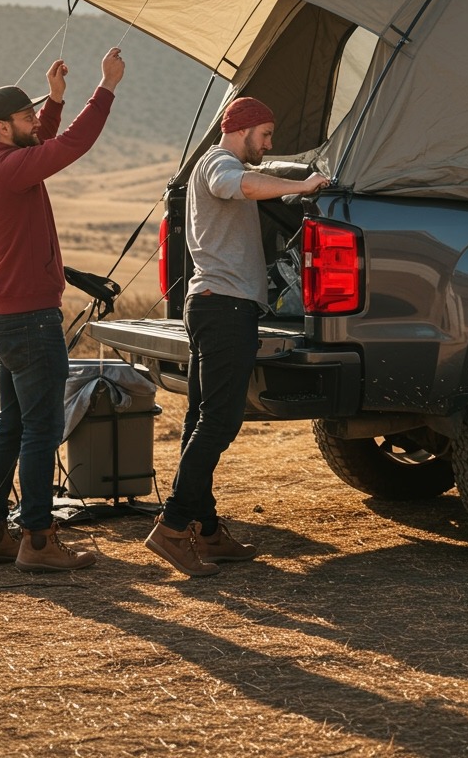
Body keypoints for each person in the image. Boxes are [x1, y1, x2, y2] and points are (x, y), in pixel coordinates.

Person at [144, 96, 329, 576]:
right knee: (220, 422)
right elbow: (240, 185)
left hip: (211, 305)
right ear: (242, 129)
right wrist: (303, 184)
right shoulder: (219, 163)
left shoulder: (220, 164)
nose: (268, 145)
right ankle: (172, 528)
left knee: (200, 419)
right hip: (224, 309)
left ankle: (206, 533)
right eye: (264, 135)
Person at [0, 48, 126, 572]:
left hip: (6, 320)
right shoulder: (10, 170)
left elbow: (42, 143)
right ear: (0, 127)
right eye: (26, 115)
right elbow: (67, 147)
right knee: (39, 429)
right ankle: (38, 539)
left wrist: (55, 100)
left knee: (12, 425)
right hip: (32, 322)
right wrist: (104, 89)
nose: (35, 120)